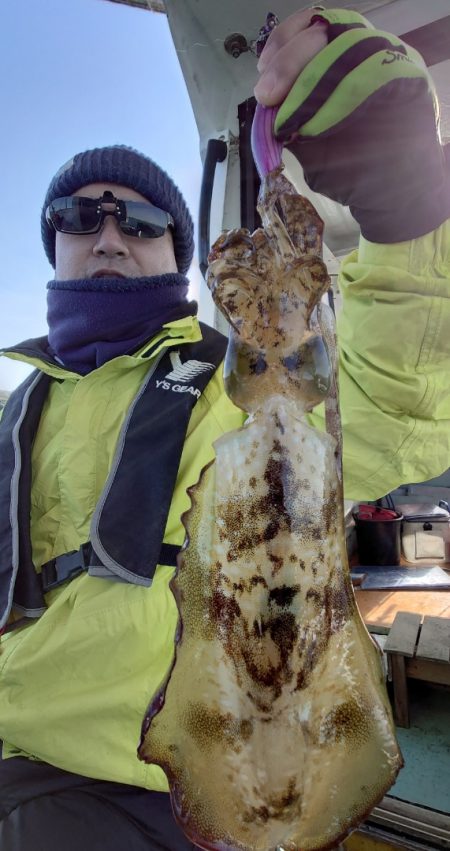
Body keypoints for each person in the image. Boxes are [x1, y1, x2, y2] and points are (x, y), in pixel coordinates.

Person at [0, 6, 449, 849]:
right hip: (19, 754)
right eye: (80, 215)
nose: (109, 236)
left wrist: (408, 202)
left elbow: (401, 401)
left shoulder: (235, 387)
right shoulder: (11, 413)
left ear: (178, 251)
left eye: (139, 222)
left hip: (162, 780)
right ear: (50, 241)